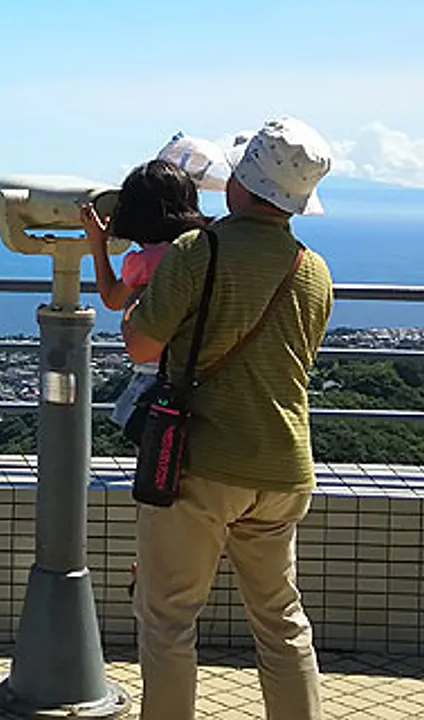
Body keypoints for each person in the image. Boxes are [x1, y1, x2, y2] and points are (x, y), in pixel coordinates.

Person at [122, 117, 334, 720]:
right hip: (284, 467)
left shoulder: (198, 251)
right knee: (281, 619)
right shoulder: (313, 269)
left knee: (169, 618)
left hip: (201, 464)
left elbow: (141, 346)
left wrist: (133, 310)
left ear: (243, 183)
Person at [82, 158, 212, 429]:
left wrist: (97, 243)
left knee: (155, 448)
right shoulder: (204, 250)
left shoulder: (146, 262)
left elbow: (112, 297)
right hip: (203, 371)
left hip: (157, 375)